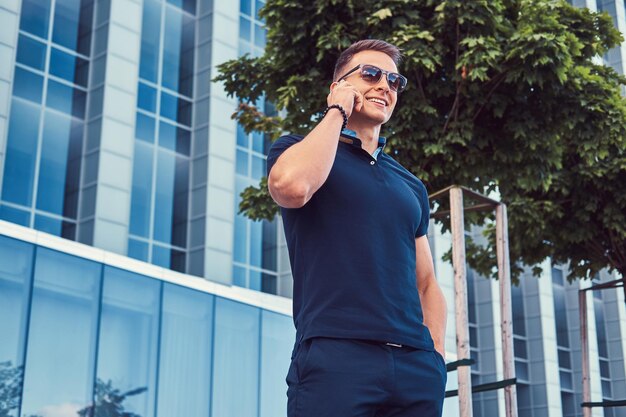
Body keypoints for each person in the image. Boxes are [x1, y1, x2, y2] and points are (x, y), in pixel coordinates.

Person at [266, 39, 447, 417]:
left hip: (415, 367)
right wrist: (337, 112)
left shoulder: (410, 184)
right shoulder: (297, 149)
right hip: (336, 356)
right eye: (371, 74)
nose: (385, 85)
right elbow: (292, 188)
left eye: (395, 81)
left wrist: (435, 358)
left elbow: (427, 282)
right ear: (338, 86)